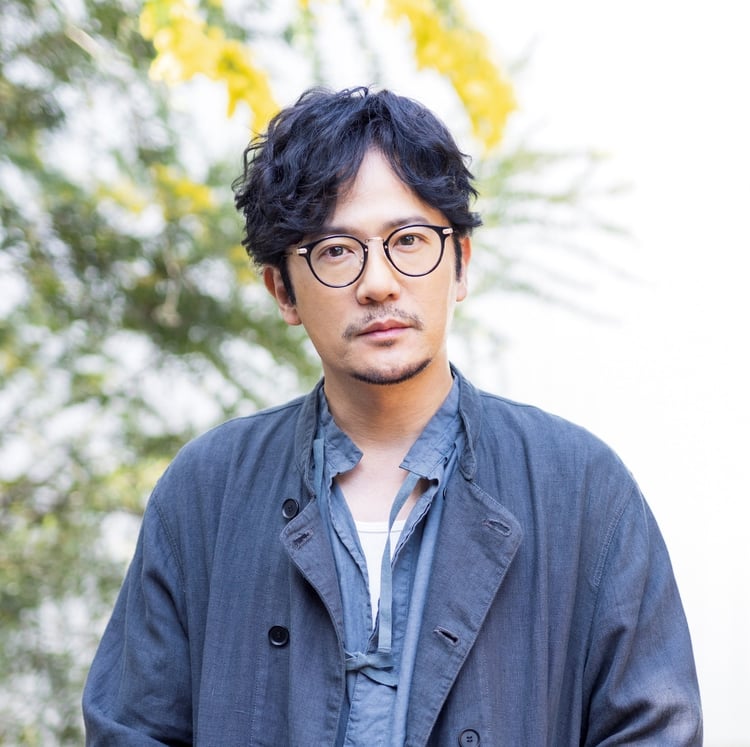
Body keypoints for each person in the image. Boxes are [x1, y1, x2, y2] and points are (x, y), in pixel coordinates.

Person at [82, 86, 702, 745]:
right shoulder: (206, 492)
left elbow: (653, 730)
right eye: (335, 249)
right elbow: (132, 730)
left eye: (408, 240)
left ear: (460, 264)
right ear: (282, 290)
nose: (378, 283)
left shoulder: (581, 488)